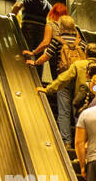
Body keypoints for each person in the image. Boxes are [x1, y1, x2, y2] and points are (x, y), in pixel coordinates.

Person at [25, 14, 86, 146]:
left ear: (61, 27)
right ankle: (80, 141)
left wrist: (34, 62)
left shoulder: (58, 40)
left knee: (64, 111)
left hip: (64, 78)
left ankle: (66, 141)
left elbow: (46, 56)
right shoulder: (81, 42)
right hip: (79, 80)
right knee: (78, 110)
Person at [40, 43, 96, 128]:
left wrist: (48, 89)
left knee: (80, 126)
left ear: (85, 53)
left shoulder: (78, 65)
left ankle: (72, 139)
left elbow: (63, 79)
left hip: (81, 102)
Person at [10, 0, 51, 74]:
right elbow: (53, 16)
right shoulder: (46, 2)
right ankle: (38, 79)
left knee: (25, 53)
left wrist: (10, 17)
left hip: (28, 28)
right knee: (39, 54)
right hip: (41, 30)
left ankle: (24, 75)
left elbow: (17, 5)